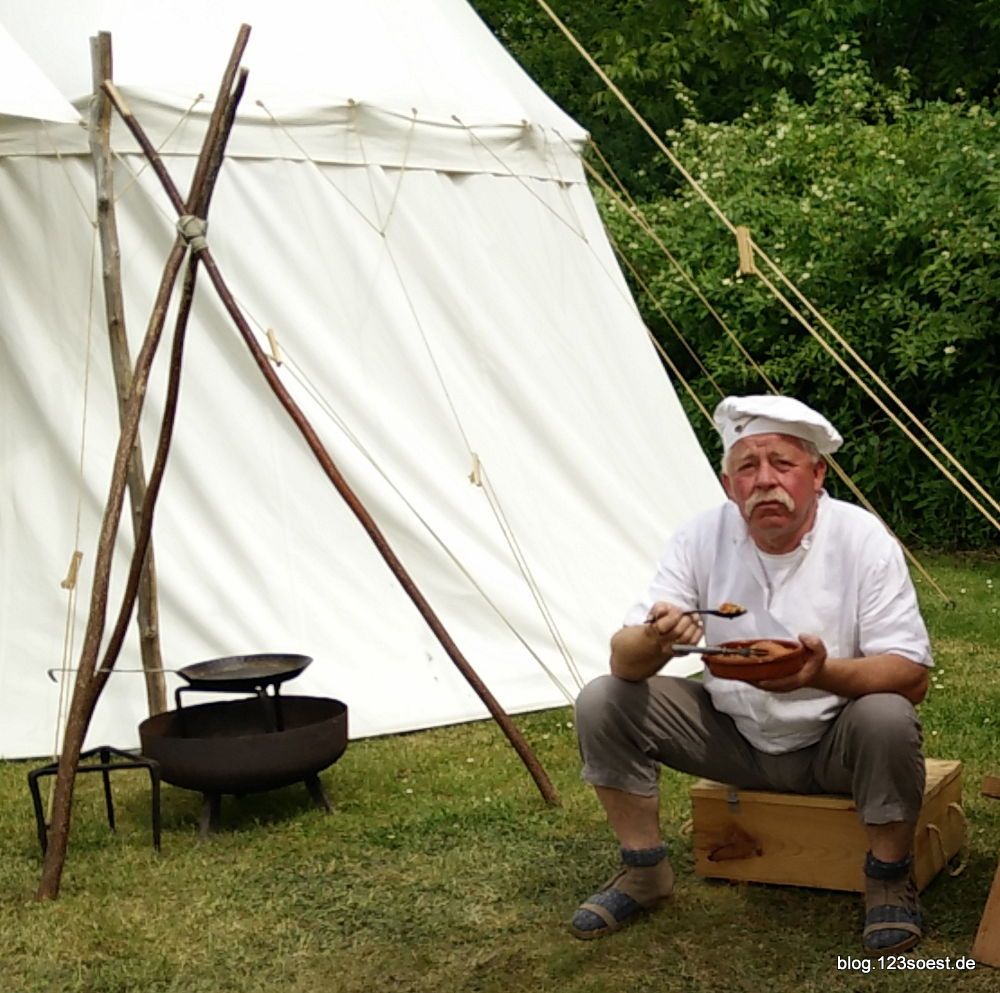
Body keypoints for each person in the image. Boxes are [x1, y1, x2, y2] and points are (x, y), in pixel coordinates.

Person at [571, 394, 932, 954]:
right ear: (727, 485)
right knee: (605, 699)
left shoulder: (861, 539)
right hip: (732, 736)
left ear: (817, 474)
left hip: (834, 744)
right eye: (747, 466)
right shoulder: (699, 537)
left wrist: (821, 673)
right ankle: (644, 871)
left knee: (887, 714)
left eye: (782, 464)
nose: (765, 480)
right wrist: (657, 637)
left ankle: (887, 879)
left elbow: (912, 676)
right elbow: (624, 659)